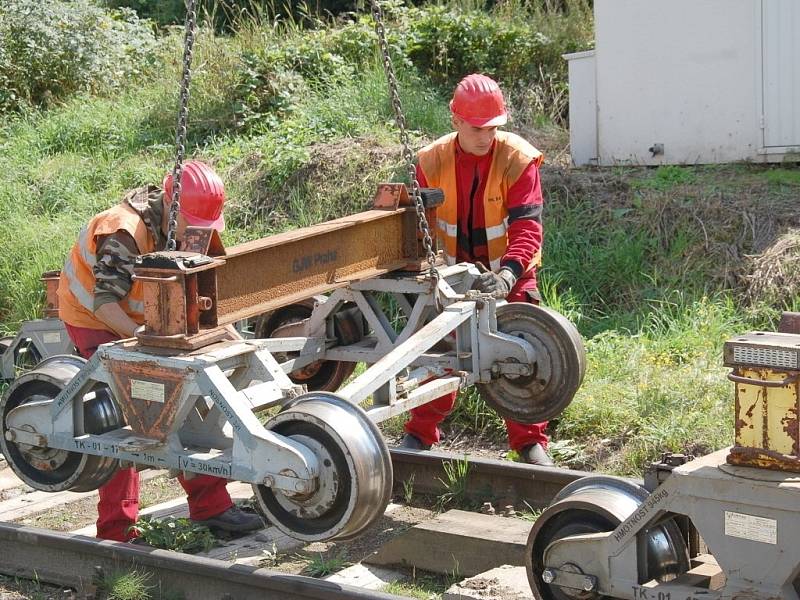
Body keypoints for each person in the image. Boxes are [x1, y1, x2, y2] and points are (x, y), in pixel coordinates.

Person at [57, 160, 264, 541]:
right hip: (96, 320)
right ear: (171, 205)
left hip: (152, 324)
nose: (198, 234)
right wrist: (146, 345)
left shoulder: (191, 226)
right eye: (193, 224)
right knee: (123, 411)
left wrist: (232, 336)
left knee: (192, 394)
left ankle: (211, 508)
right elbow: (104, 302)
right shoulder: (123, 233)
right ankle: (116, 528)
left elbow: (202, 292)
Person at [400, 73, 554, 466]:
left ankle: (529, 442)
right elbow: (418, 231)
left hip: (509, 274)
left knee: (523, 354)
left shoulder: (518, 160)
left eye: (493, 127)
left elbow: (527, 229)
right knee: (436, 352)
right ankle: (419, 435)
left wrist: (507, 276)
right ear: (456, 121)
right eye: (476, 128)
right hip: (450, 276)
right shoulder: (430, 162)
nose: (486, 136)